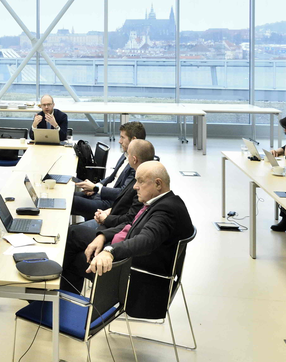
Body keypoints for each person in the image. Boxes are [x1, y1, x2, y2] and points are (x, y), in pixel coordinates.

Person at [61, 161, 194, 319]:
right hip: (130, 261)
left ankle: (61, 308)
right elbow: (132, 225)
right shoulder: (163, 202)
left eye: (140, 181)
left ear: (158, 184)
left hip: (137, 279)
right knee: (75, 235)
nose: (135, 187)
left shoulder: (166, 211)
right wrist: (103, 236)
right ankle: (62, 305)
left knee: (74, 257)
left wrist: (110, 251)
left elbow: (145, 241)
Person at [65, 139, 155, 255]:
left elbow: (130, 219)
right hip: (111, 220)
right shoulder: (137, 180)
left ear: (134, 159)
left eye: (128, 154)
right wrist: (108, 212)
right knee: (73, 232)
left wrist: (106, 219)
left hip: (113, 230)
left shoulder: (140, 187)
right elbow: (124, 206)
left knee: (72, 233)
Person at [72, 121, 146, 219]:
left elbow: (122, 193)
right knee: (69, 194)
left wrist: (96, 189)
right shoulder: (126, 154)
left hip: (111, 203)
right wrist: (97, 186)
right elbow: (112, 177)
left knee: (71, 201)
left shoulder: (137, 165)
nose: (119, 141)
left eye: (122, 137)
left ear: (133, 140)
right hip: (103, 194)